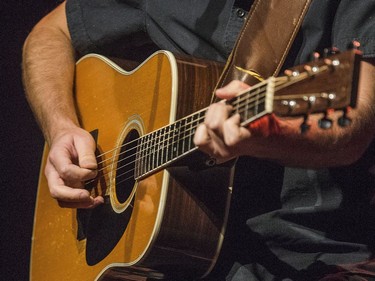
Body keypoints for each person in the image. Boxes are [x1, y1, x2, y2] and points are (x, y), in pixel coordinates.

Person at [22, 0, 375, 280]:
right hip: (174, 263)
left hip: (309, 257)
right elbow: (50, 33)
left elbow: (353, 127)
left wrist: (267, 133)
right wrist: (61, 127)